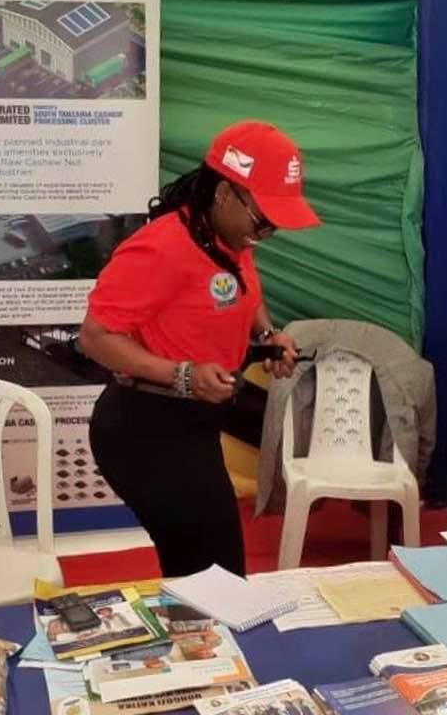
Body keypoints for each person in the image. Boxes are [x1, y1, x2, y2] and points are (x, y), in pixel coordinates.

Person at [79, 121, 320, 577]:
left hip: (195, 424)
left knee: (204, 573)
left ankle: (190, 622)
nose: (266, 232)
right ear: (225, 193)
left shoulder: (229, 237)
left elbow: (243, 287)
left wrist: (269, 335)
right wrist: (183, 374)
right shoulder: (161, 248)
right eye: (262, 219)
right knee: (213, 575)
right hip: (147, 429)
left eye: (275, 224)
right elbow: (94, 337)